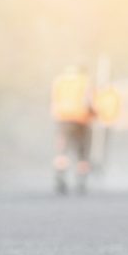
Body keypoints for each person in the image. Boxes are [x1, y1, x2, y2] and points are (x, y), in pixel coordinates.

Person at [51, 65, 94, 194]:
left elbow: (53, 102)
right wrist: (94, 113)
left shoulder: (59, 82)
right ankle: (81, 182)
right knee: (82, 152)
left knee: (62, 151)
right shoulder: (84, 81)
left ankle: (60, 177)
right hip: (81, 120)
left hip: (63, 119)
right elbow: (89, 101)